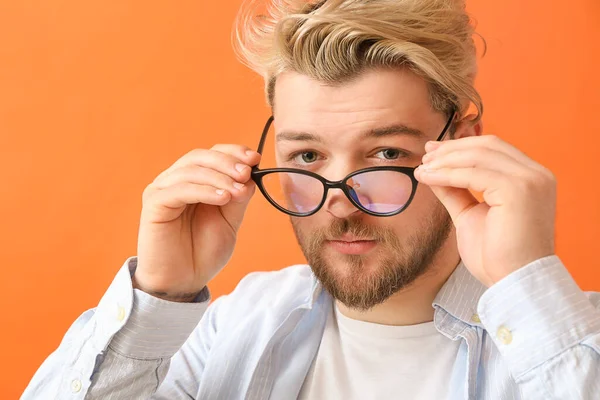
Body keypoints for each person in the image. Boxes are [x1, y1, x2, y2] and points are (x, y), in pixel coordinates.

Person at [23, 0, 600, 399]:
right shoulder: (233, 330)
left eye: (385, 156)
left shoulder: (570, 341)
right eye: (306, 158)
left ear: (462, 147)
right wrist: (159, 294)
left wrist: (526, 284)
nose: (339, 205)